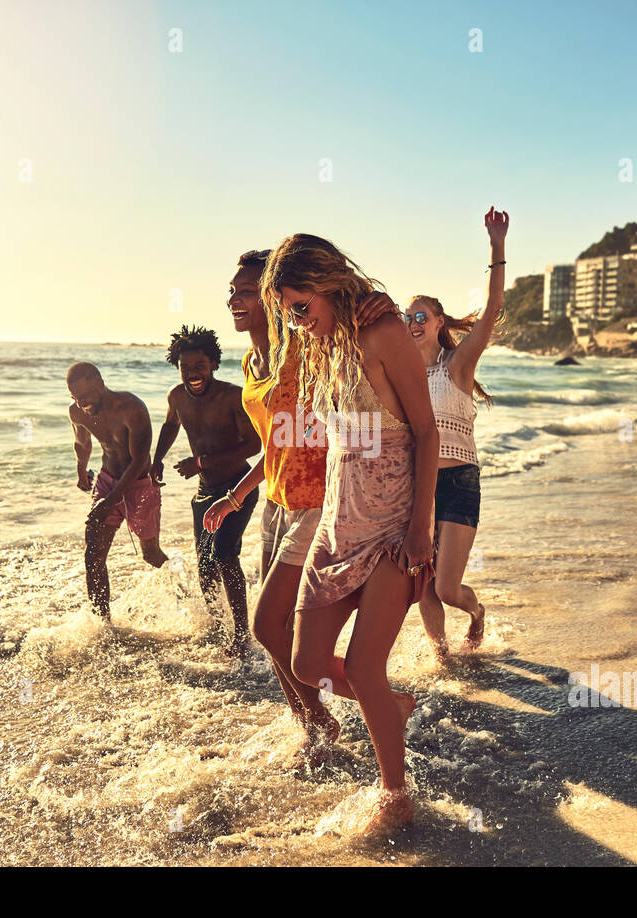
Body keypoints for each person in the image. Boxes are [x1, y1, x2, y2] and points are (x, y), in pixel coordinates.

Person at [260, 234, 438, 834]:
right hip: (338, 526)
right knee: (307, 663)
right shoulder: (326, 347)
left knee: (364, 668)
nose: (295, 319)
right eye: (287, 310)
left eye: (300, 306)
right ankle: (394, 708)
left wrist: (420, 528)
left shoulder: (383, 334)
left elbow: (428, 434)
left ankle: (396, 794)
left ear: (328, 285)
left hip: (392, 529)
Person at [203, 250, 399, 766]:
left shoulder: (306, 344)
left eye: (247, 290)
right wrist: (237, 494)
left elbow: (351, 322)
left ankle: (344, 712)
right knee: (275, 633)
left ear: (274, 296)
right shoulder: (251, 363)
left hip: (321, 499)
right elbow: (277, 444)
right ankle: (315, 724)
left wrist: (379, 302)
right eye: (233, 290)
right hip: (276, 500)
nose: (235, 299)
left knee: (268, 627)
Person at [408, 207, 508, 660]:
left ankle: (477, 610)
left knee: (447, 588)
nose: (413, 322)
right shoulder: (401, 377)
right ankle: (440, 655)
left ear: (440, 322)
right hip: (419, 485)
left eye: (421, 315)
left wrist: (496, 244)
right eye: (407, 317)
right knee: (422, 582)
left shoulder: (458, 365)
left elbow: (491, 312)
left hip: (460, 481)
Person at [151, 326, 262, 656]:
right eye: (185, 367)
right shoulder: (177, 396)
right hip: (204, 493)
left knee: (226, 556)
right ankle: (218, 628)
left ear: (213, 363)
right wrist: (156, 460)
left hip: (238, 488)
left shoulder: (232, 396)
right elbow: (172, 424)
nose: (192, 374)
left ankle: (241, 635)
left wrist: (202, 461)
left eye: (199, 366)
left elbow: (254, 445)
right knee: (205, 566)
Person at [67, 361, 167, 618]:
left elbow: (139, 460)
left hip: (140, 485)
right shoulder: (77, 412)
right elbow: (82, 441)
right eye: (76, 398)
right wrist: (81, 469)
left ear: (100, 384)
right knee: (94, 555)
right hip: (108, 479)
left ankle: (186, 593)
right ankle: (104, 626)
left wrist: (110, 500)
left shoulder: (131, 408)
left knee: (152, 555)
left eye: (86, 396)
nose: (82, 403)